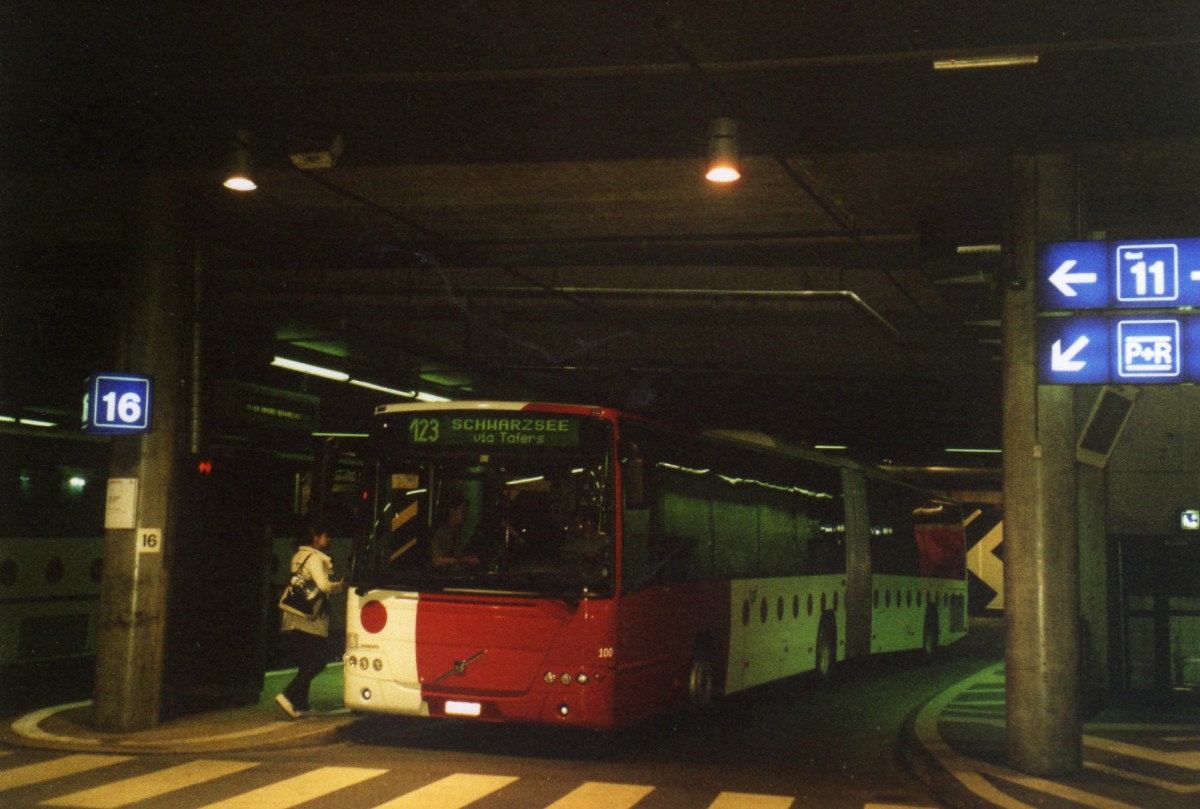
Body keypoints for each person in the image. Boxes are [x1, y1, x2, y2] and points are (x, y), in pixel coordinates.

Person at [275, 521, 346, 719]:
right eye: (325, 536)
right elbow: (323, 586)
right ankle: (288, 694)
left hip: (296, 615)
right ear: (316, 539)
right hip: (312, 617)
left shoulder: (298, 556)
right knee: (320, 660)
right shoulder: (315, 558)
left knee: (307, 659)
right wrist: (339, 586)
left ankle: (302, 704)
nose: (328, 539)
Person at [430, 495, 477, 566]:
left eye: (467, 511)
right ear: (452, 511)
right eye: (463, 510)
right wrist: (463, 560)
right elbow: (437, 560)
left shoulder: (457, 533)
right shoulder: (441, 533)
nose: (466, 515)